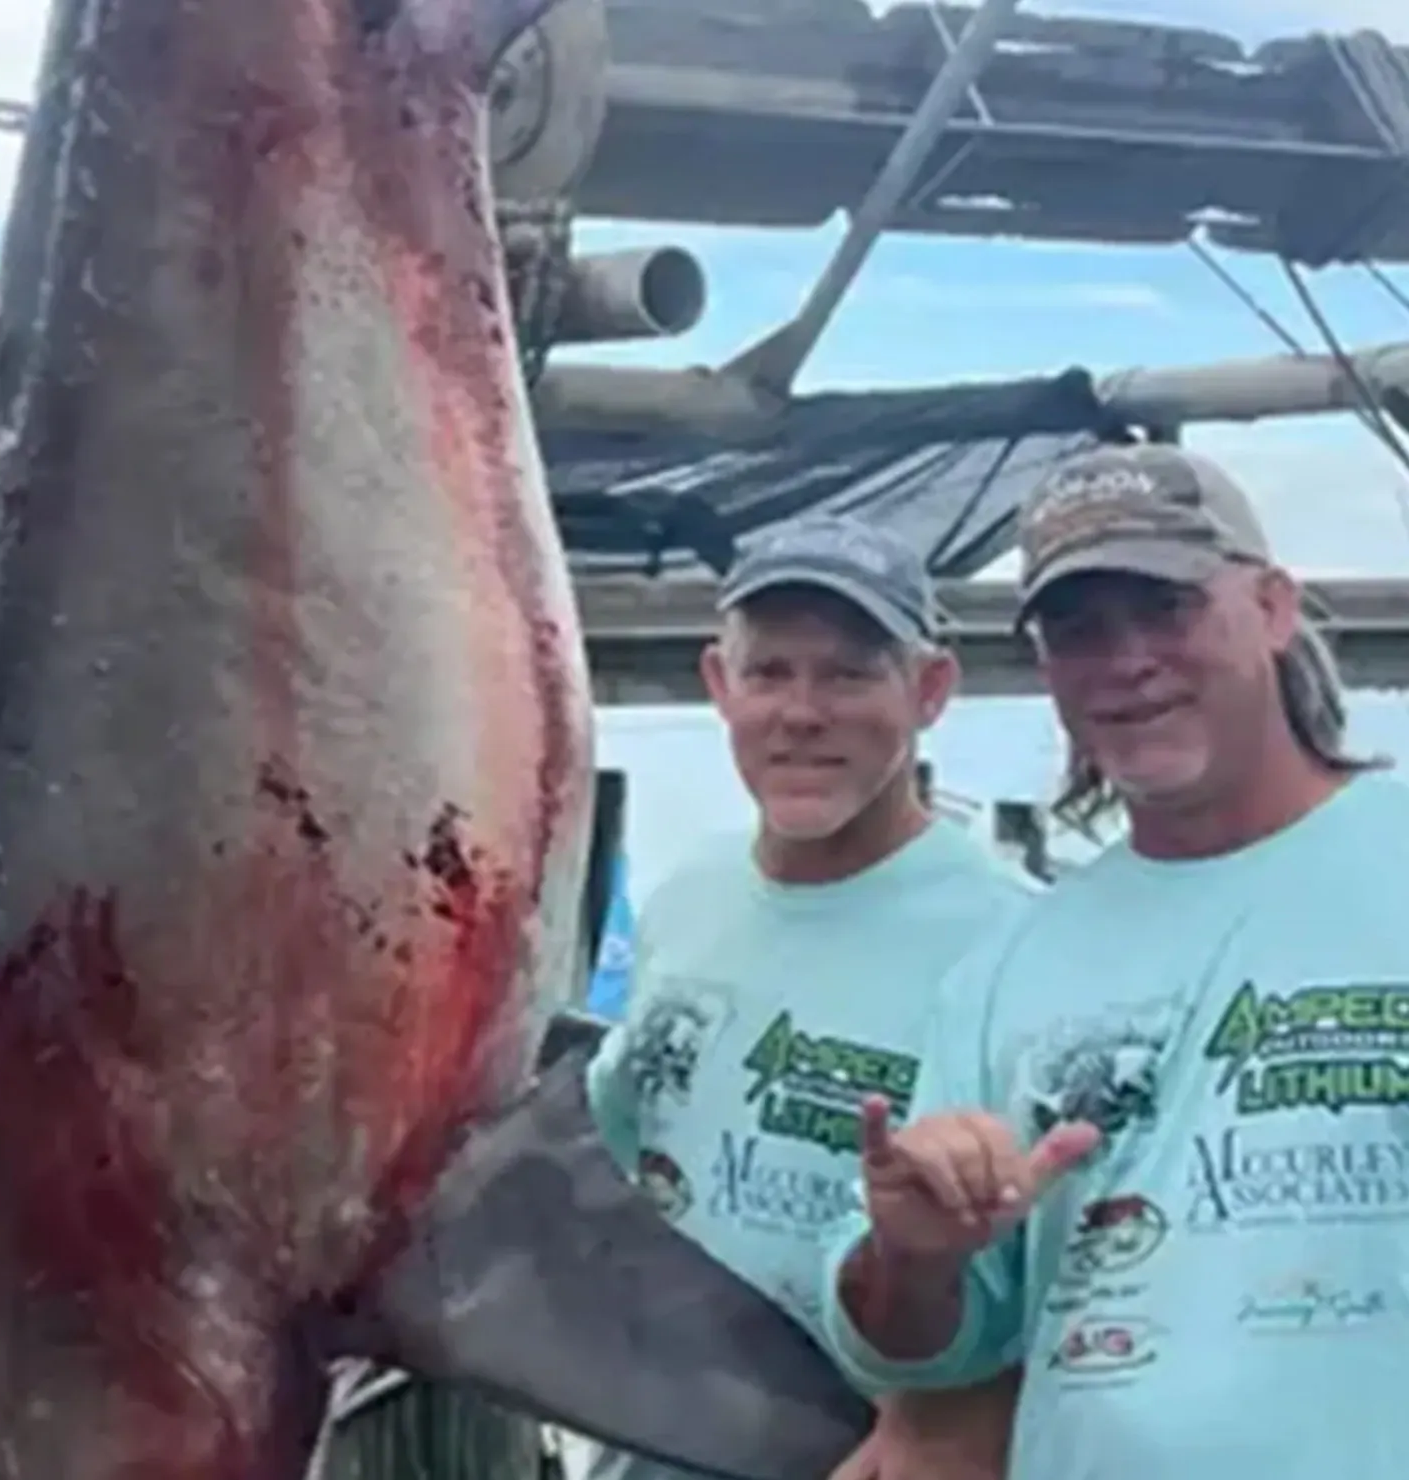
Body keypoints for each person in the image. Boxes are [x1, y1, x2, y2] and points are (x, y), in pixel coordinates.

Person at [823, 442, 1403, 1478]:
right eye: (1077, 628)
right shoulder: (1007, 969)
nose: (1126, 659)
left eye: (1169, 607)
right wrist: (915, 1252)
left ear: (1273, 607)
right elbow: (924, 1342)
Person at [582, 514, 1036, 1480]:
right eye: (770, 673)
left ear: (931, 690)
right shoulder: (686, 898)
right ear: (719, 684)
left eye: (848, 674)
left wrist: (969, 1414)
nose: (802, 712)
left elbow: (1075, 1265)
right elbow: (612, 1162)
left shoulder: (1022, 940)